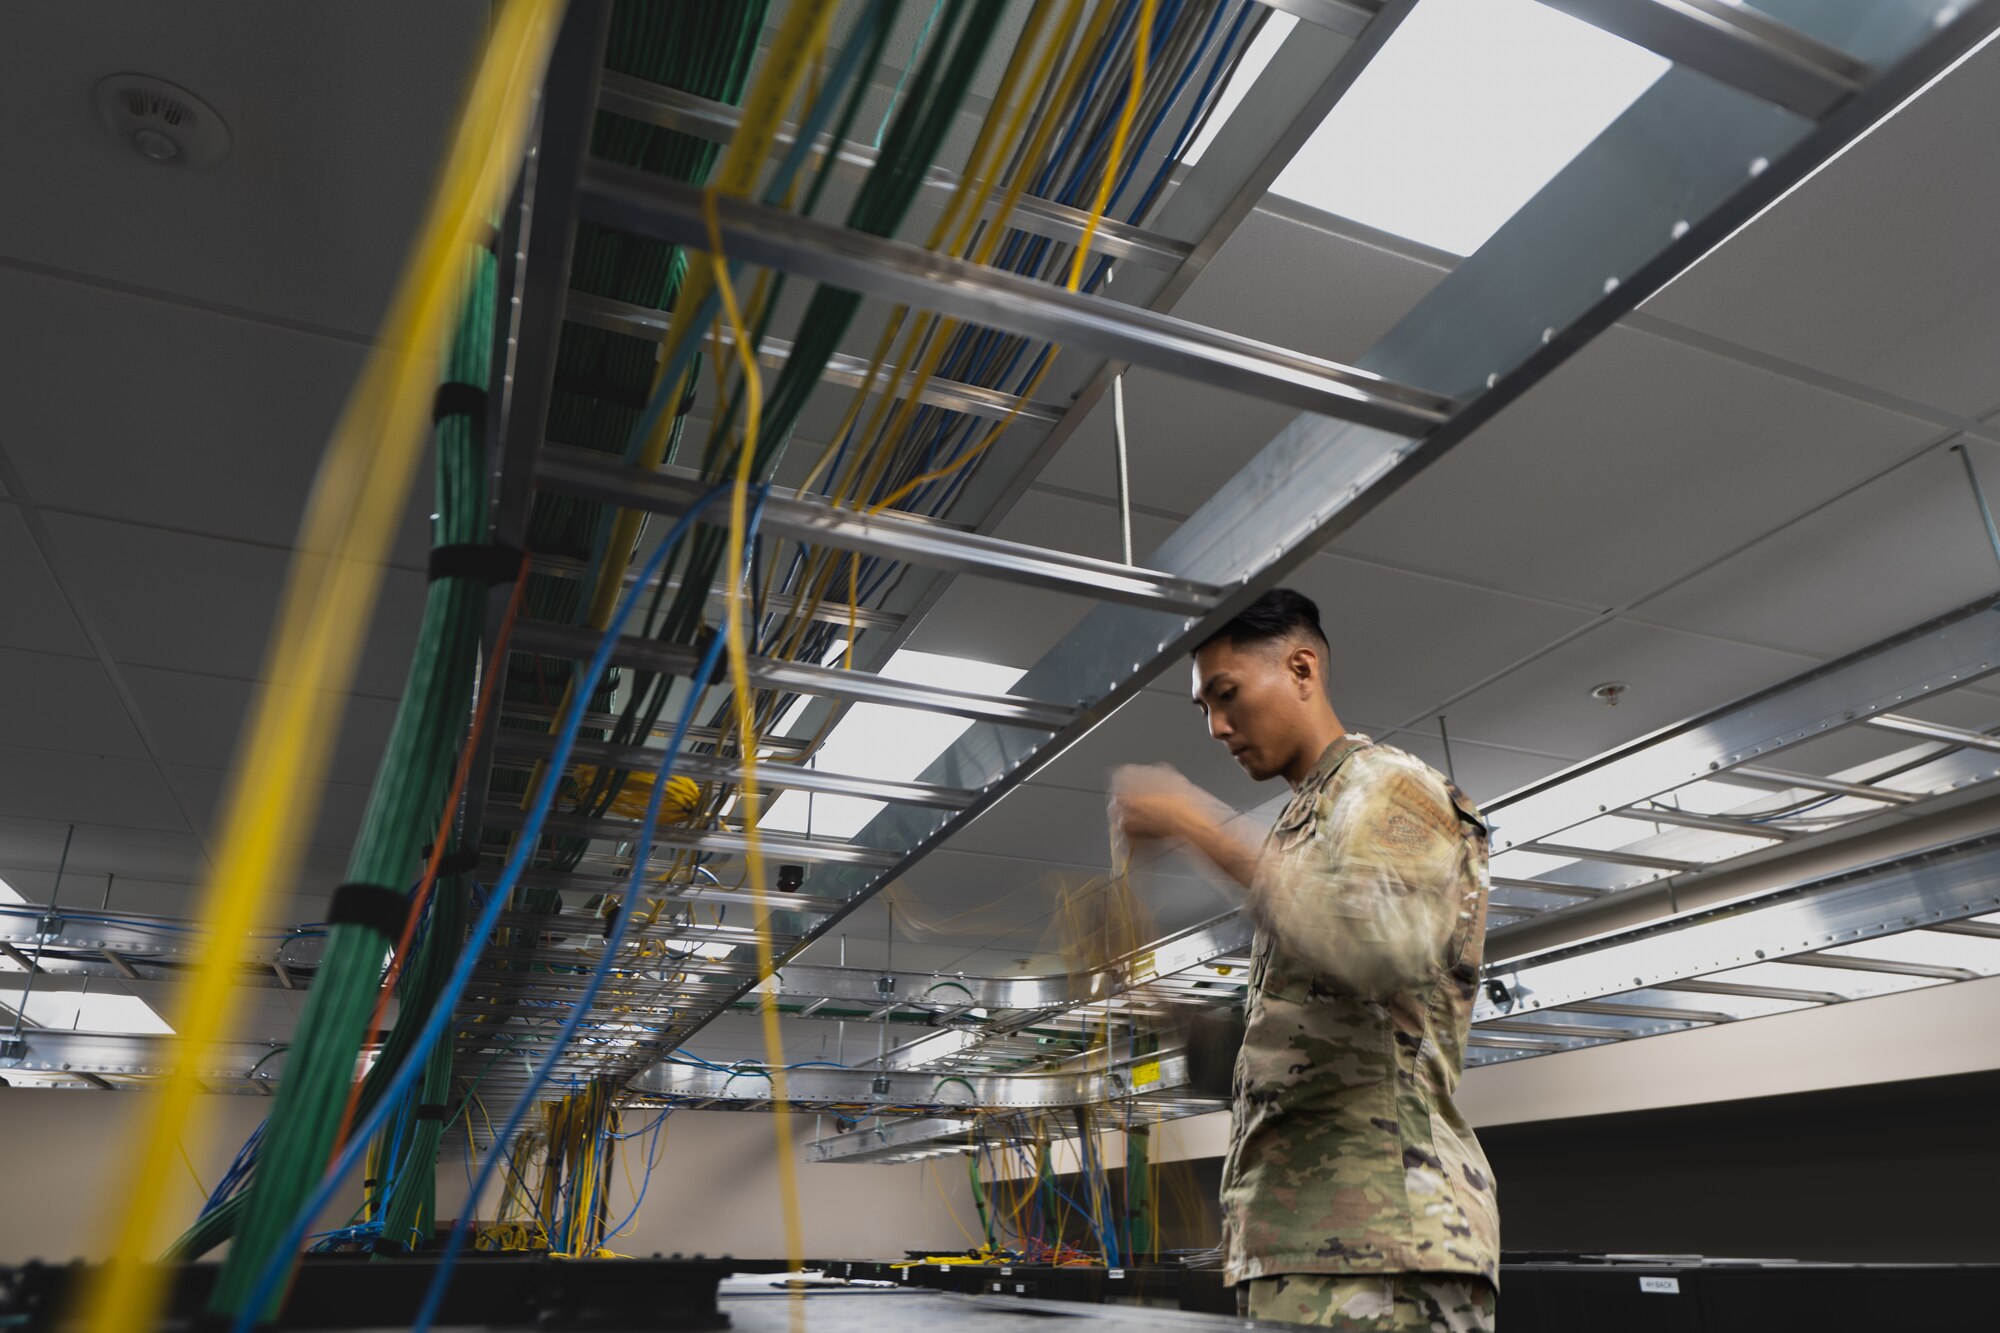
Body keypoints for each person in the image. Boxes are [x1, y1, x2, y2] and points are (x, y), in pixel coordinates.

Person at [1109, 588, 1498, 1332]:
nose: (1219, 726)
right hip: (1308, 1244)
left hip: (1386, 1243)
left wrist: (1196, 822)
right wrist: (1182, 1026)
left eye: (1227, 695)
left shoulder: (1391, 787)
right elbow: (1316, 1047)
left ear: (1301, 667)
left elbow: (1376, 943)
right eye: (1205, 710)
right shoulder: (1304, 822)